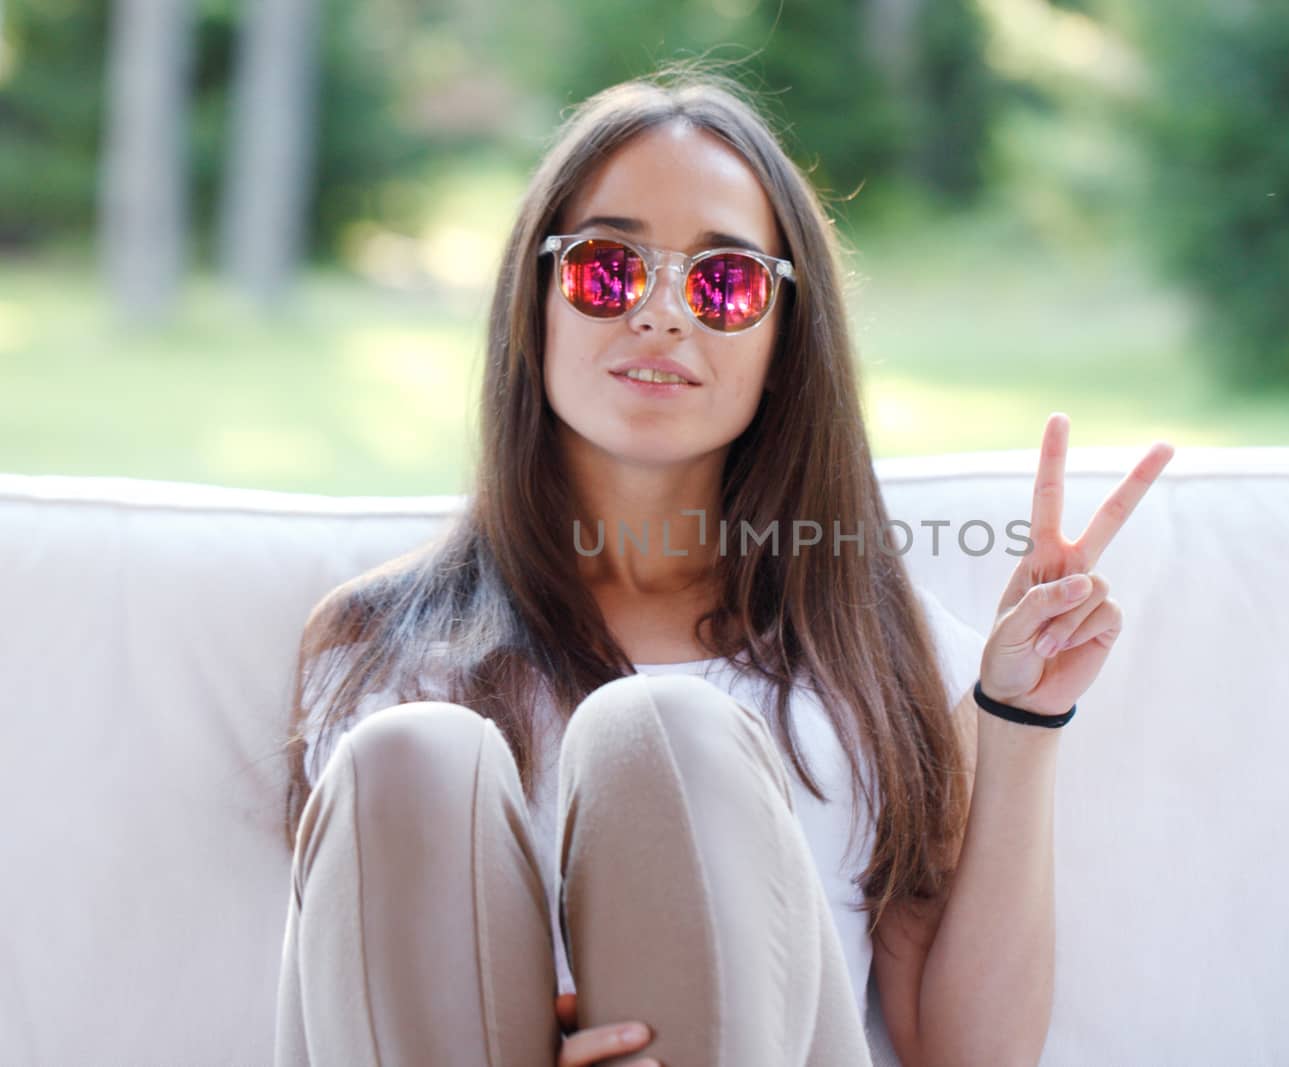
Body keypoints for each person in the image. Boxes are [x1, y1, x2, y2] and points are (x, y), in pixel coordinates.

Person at [273, 65, 1174, 1067]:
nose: (661, 315)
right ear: (535, 300)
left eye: (724, 282)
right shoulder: (374, 644)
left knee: (667, 731)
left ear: (786, 342)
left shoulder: (874, 647)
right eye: (608, 267)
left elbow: (967, 1053)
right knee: (411, 757)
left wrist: (1022, 720)